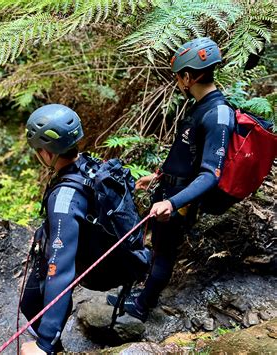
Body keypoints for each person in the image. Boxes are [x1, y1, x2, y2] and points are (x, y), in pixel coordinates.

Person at [112, 38, 235, 322]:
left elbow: (210, 175)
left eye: (179, 76)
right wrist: (157, 177)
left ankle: (143, 306)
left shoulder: (218, 114)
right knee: (157, 247)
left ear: (189, 76)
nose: (178, 82)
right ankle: (138, 295)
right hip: (169, 190)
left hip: (180, 201)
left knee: (165, 251)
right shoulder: (201, 106)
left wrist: (172, 202)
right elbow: (186, 152)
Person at [20, 104, 148, 355]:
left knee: (34, 301)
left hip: (91, 263)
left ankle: (50, 346)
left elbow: (61, 272)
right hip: (105, 251)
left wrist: (44, 344)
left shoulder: (65, 199)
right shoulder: (90, 165)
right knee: (31, 300)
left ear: (46, 154)